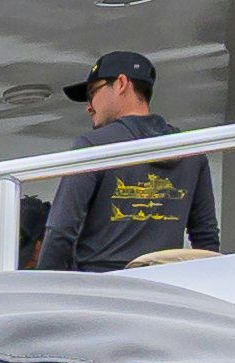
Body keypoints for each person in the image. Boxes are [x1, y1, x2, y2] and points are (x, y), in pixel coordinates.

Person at [28, 46, 219, 271]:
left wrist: (48, 291)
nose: (89, 106)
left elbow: (60, 231)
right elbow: (205, 239)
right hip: (163, 287)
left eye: (92, 94)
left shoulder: (94, 147)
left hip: (103, 289)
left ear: (121, 84)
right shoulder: (190, 151)